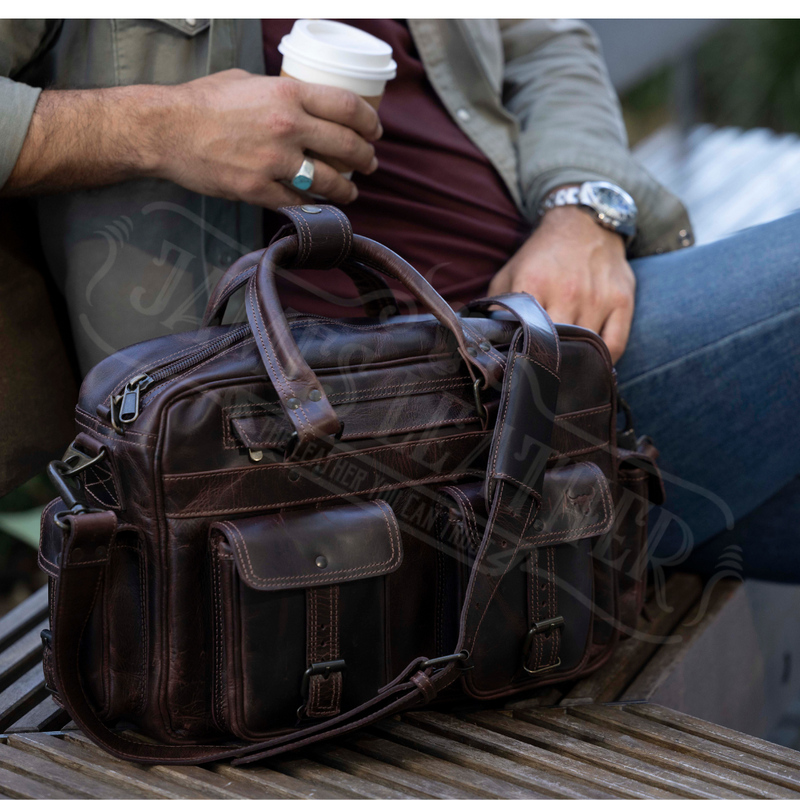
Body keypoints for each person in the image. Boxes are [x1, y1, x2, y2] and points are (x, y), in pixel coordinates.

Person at [0, 19, 798, 579]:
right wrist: (160, 127)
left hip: (547, 338)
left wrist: (581, 210)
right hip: (310, 438)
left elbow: (544, 43)